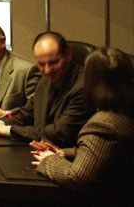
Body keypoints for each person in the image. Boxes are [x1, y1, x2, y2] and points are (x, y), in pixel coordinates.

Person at [31, 47, 134, 205]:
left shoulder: (103, 124)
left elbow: (77, 178)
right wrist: (64, 153)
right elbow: (106, 152)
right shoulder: (125, 113)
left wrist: (49, 160)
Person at [0, 31, 93, 148]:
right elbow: (26, 113)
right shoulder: (45, 80)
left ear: (68, 54)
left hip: (64, 155)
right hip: (39, 149)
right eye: (41, 64)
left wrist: (5, 130)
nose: (47, 70)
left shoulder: (83, 86)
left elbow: (60, 133)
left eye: (53, 63)